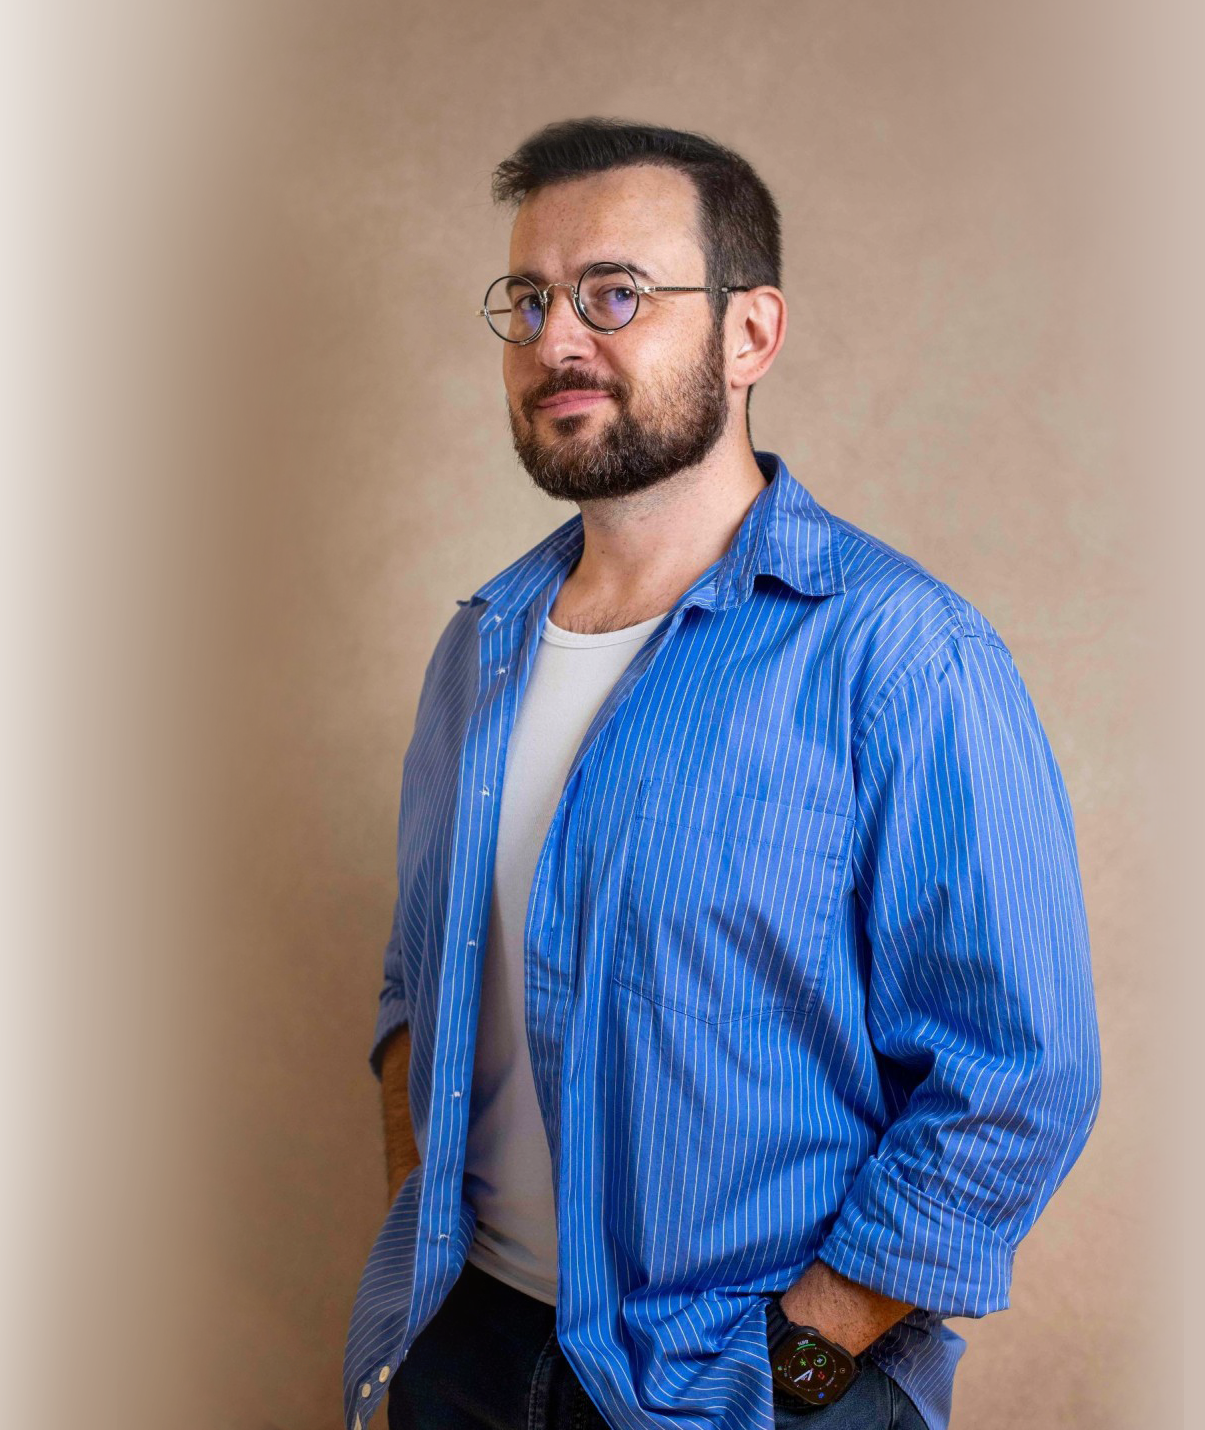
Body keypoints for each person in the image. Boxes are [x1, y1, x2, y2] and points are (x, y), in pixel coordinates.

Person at [338, 119, 1100, 1430]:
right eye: (527, 300)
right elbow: (417, 985)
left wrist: (803, 1367)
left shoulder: (900, 657)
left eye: (614, 293)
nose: (557, 338)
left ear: (752, 334)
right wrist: (427, 1264)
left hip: (738, 1386)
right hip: (463, 1362)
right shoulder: (479, 647)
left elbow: (1019, 1073)